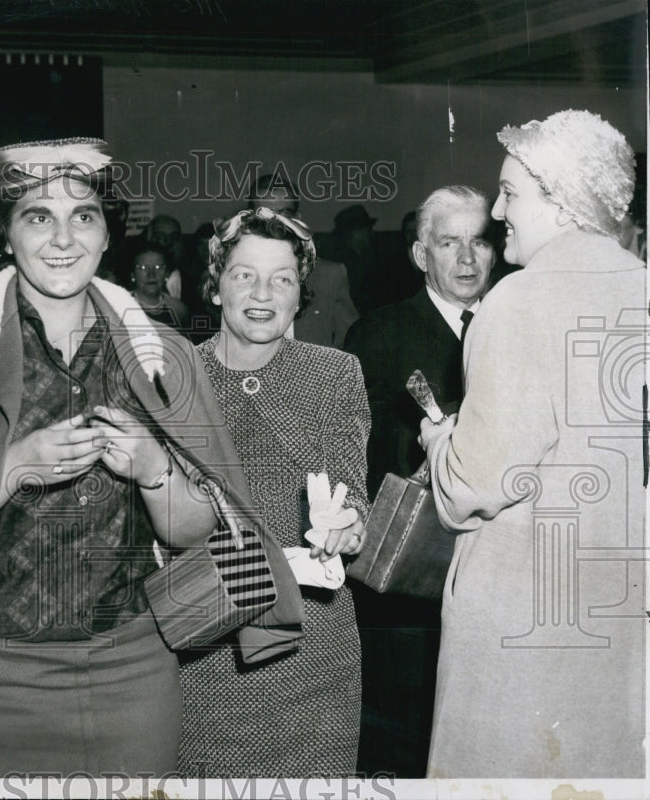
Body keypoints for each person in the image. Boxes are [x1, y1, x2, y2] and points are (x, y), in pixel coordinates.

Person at [0, 138, 305, 777]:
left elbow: (202, 525)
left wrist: (153, 470)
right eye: (37, 217)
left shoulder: (165, 353)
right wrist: (8, 470)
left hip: (133, 675)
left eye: (83, 216)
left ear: (109, 233)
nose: (63, 239)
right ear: (4, 235)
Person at [419, 110, 644, 777]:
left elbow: (469, 489)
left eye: (511, 192)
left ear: (561, 200)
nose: (496, 210)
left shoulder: (518, 301)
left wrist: (441, 440)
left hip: (523, 624)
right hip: (623, 617)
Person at [179, 207, 370, 777]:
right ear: (215, 289)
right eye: (244, 275)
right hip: (203, 651)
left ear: (299, 297)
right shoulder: (174, 375)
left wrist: (347, 526)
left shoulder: (334, 372)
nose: (263, 293)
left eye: (282, 279)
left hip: (313, 653)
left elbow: (352, 494)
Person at [342, 185, 496, 777]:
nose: (465, 259)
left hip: (494, 574)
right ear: (419, 255)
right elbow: (359, 454)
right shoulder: (378, 335)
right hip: (412, 583)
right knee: (403, 739)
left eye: (479, 241)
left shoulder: (513, 327)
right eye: (447, 242)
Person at [249, 173, 359, 348]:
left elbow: (352, 342)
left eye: (284, 213)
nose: (274, 223)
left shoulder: (329, 277)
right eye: (265, 215)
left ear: (298, 218)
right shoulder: (235, 278)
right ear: (250, 220)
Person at [128, 237, 190, 331]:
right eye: (143, 267)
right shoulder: (120, 306)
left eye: (158, 267)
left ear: (167, 273)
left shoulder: (178, 309)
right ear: (133, 274)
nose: (151, 274)